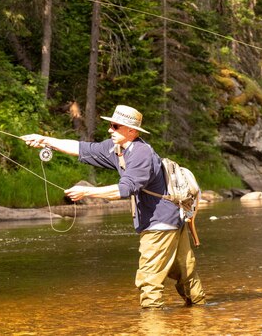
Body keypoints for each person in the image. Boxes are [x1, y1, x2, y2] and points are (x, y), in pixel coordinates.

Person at [21, 104, 206, 309]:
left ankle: (152, 324)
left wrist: (87, 191)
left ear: (132, 131)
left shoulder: (141, 154)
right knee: (184, 271)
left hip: (159, 223)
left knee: (149, 283)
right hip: (171, 218)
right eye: (111, 125)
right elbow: (81, 148)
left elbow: (123, 190)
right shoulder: (116, 148)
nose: (110, 129)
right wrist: (45, 140)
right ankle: (199, 315)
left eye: (116, 126)